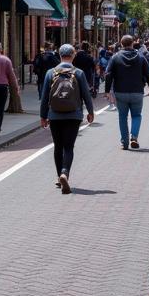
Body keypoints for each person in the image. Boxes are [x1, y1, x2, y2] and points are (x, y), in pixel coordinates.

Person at [40, 43, 94, 193]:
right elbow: (86, 94)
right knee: (69, 147)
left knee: (58, 146)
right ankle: (65, 172)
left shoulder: (51, 73)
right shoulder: (79, 73)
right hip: (74, 114)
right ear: (73, 55)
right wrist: (90, 112)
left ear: (59, 55)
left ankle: (59, 177)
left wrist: (43, 116)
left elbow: (45, 97)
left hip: (55, 115)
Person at [105, 34, 149, 150]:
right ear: (132, 43)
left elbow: (108, 75)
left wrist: (107, 91)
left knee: (122, 117)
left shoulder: (115, 57)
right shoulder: (141, 57)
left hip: (120, 92)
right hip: (137, 91)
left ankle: (124, 141)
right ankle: (134, 137)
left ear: (121, 44)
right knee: (136, 115)